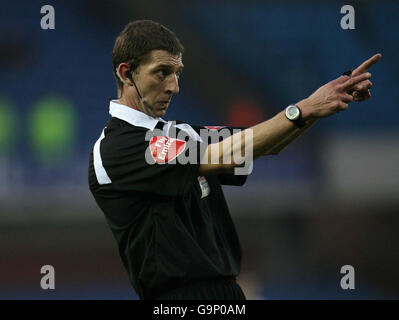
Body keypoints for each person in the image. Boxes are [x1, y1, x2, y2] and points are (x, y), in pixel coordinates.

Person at [88, 20, 381, 300]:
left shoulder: (181, 134)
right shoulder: (117, 147)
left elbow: (263, 144)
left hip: (226, 294)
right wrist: (303, 109)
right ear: (126, 74)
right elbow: (220, 154)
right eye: (162, 72)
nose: (174, 86)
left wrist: (319, 107)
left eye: (177, 73)